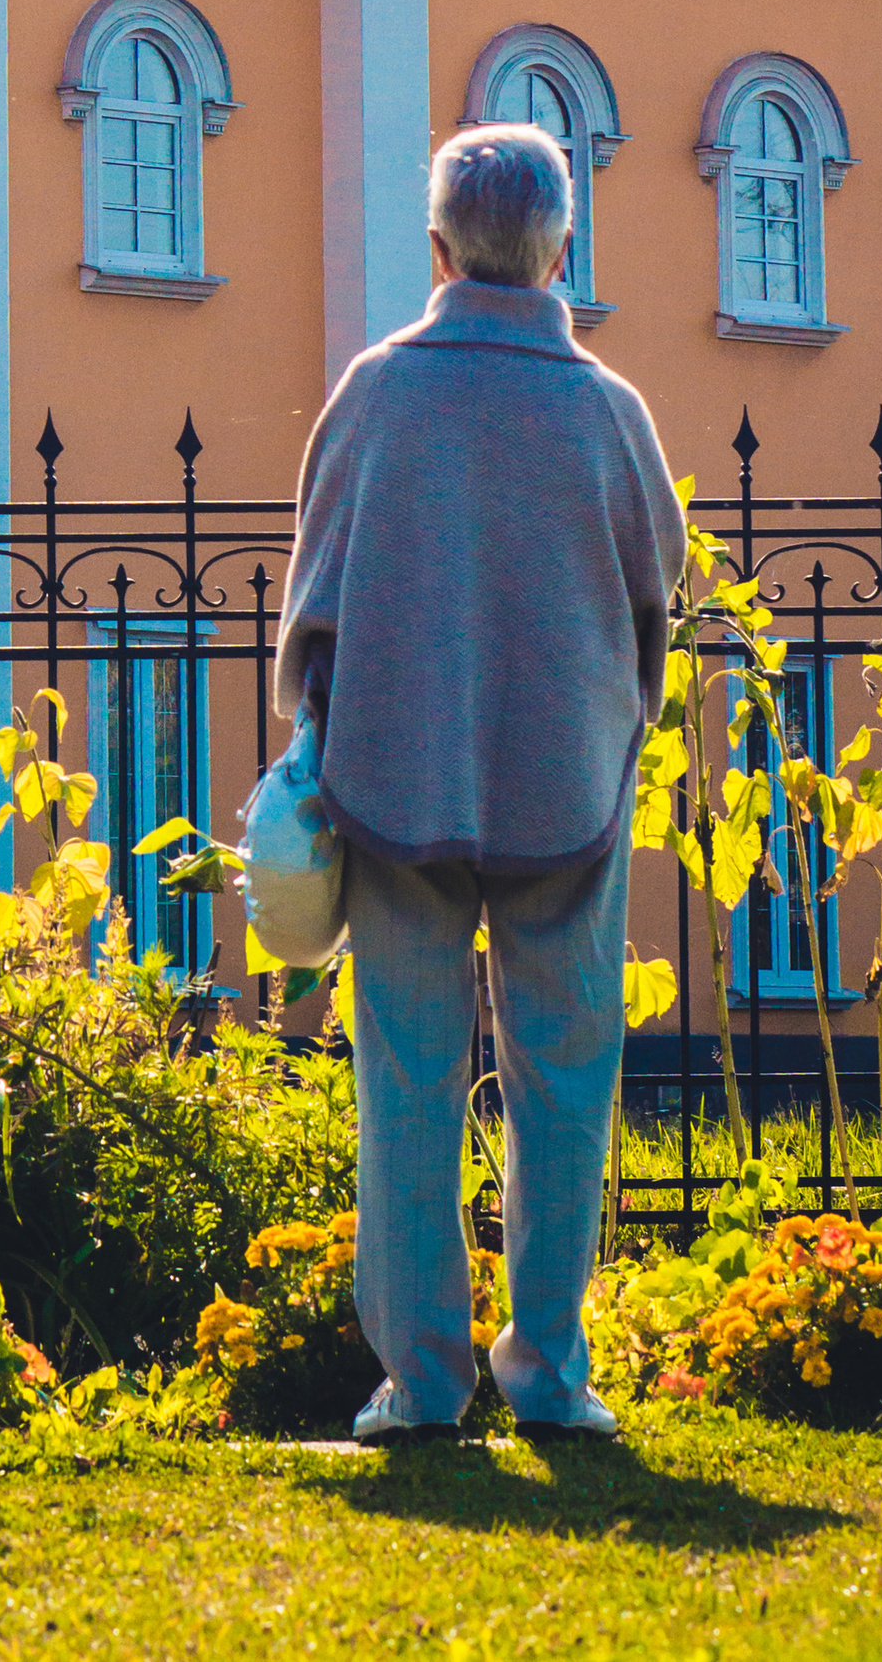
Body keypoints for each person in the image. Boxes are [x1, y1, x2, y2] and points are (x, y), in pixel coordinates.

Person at [274, 123, 683, 1443]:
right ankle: (550, 1373)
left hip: (394, 773)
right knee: (565, 1071)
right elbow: (653, 598)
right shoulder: (611, 411)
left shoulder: (377, 391)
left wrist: (325, 728)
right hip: (569, 775)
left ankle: (424, 1379)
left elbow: (315, 601)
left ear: (440, 245)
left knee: (405, 1072)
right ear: (561, 247)